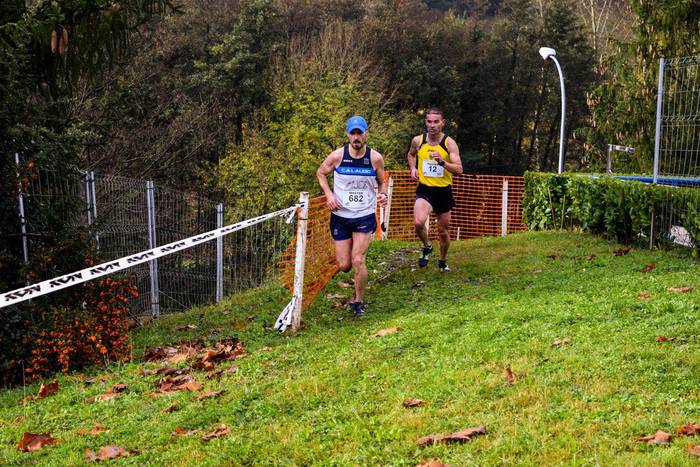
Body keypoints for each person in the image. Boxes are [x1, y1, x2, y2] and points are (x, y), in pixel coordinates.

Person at [316, 115, 388, 317]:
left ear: (366, 134)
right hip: (340, 216)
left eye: (360, 133)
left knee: (358, 260)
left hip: (364, 215)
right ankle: (353, 285)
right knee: (344, 265)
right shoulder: (338, 156)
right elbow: (321, 173)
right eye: (353, 133)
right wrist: (329, 195)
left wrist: (383, 194)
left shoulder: (375, 158)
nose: (356, 137)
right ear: (348, 135)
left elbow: (382, 181)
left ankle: (358, 302)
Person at [407, 107, 463, 272]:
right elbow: (411, 155)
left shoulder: (449, 143)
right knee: (418, 222)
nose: (432, 125)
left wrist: (442, 163)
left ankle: (443, 260)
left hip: (443, 191)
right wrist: (412, 168)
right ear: (426, 122)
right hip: (425, 189)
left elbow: (459, 169)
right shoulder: (418, 140)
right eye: (429, 121)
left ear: (443, 123)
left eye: (436, 122)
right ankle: (427, 246)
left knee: (443, 232)